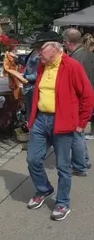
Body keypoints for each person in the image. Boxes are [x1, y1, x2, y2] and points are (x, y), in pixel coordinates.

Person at [26, 40, 93, 221]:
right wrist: (32, 118)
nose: (39, 54)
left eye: (42, 51)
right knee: (33, 159)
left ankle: (63, 203)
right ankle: (44, 189)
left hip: (62, 121)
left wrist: (81, 122)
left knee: (63, 166)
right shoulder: (43, 66)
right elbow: (39, 92)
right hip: (41, 119)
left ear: (54, 49)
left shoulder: (72, 66)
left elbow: (87, 95)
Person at [63, 28, 94, 176]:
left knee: (77, 134)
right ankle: (84, 161)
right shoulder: (88, 53)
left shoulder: (75, 59)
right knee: (79, 134)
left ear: (68, 42)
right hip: (87, 97)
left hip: (79, 100)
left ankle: (80, 166)